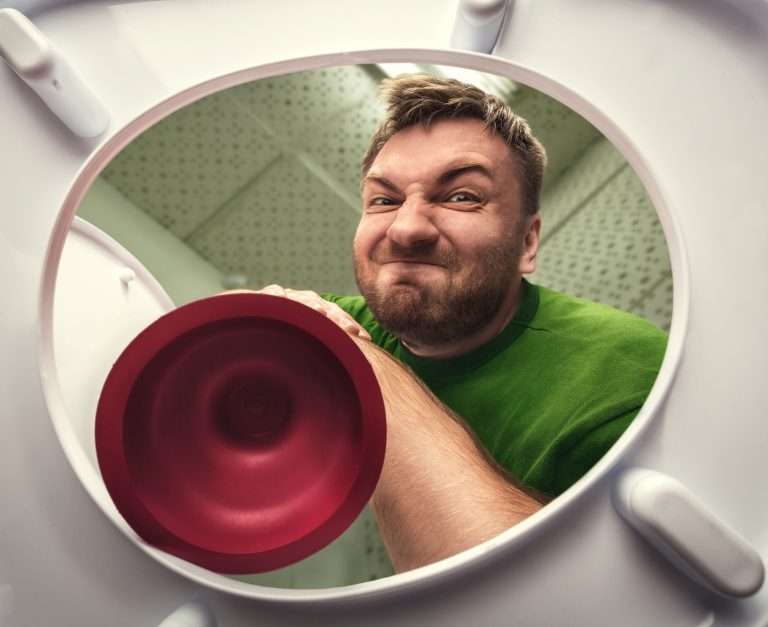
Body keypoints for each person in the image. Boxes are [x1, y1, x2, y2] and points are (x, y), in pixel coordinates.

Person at [244, 74, 668, 573]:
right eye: (384, 200)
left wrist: (368, 368)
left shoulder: (629, 375)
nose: (406, 229)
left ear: (527, 243)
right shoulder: (343, 322)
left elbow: (554, 595)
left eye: (462, 197)